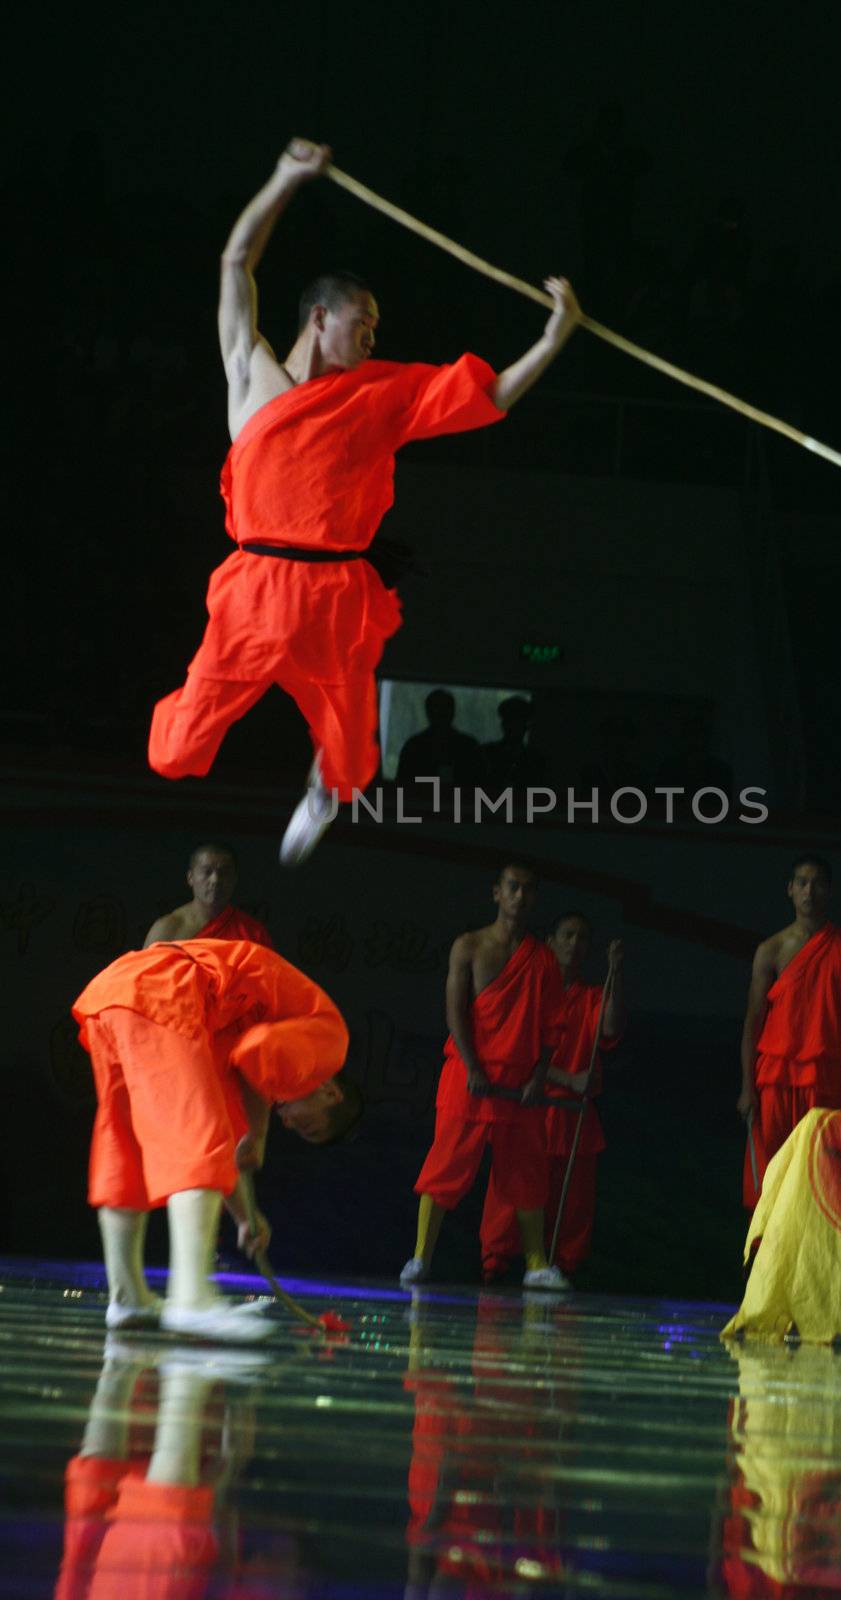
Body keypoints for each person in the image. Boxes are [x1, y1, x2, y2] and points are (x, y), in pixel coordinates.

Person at [148, 137, 581, 867]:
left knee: (350, 759)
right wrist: (285, 179)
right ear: (320, 316)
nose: (374, 334)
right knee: (178, 749)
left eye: (376, 328)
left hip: (335, 593)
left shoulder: (380, 395)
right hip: (255, 587)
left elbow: (491, 394)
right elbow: (235, 263)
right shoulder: (250, 373)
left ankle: (323, 789)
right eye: (364, 321)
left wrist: (554, 334)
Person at [73, 938, 355, 1340]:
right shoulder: (330, 1042)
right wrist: (259, 1133)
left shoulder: (236, 1032)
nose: (293, 1125)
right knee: (195, 1143)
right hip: (164, 990)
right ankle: (190, 1299)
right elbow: (256, 1053)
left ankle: (128, 1296)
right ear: (331, 1093)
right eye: (309, 1125)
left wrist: (244, 1215)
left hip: (118, 994)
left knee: (127, 1149)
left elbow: (223, 1132)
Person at [401, 860, 568, 1290]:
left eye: (528, 890)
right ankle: (420, 1258)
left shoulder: (543, 958)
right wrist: (473, 1065)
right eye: (512, 887)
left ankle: (535, 1264)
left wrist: (538, 1076)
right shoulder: (469, 946)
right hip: (468, 1075)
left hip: (520, 1084)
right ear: (496, 892)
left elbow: (553, 1025)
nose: (520, 896)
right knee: (445, 1166)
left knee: (526, 1173)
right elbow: (455, 1010)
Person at [479, 915, 625, 1281]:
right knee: (508, 1200)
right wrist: (565, 1078)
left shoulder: (592, 995)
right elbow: (516, 1052)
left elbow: (609, 1027)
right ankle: (493, 1269)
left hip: (573, 1118)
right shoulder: (527, 994)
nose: (574, 943)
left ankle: (562, 1272)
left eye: (582, 937)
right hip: (529, 1107)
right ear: (550, 941)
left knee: (571, 1209)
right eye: (567, 935)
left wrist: (615, 973)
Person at [737, 856, 841, 1207]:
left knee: (822, 1172)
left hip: (827, 1075)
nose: (809, 891)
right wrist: (746, 1087)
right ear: (789, 890)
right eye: (802, 882)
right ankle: (763, 1255)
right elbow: (752, 1021)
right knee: (770, 1174)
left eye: (817, 883)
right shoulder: (770, 950)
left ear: (829, 891)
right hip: (774, 1074)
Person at [142, 842, 272, 947]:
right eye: (206, 872)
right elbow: (145, 977)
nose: (215, 880)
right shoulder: (167, 929)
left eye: (224, 873)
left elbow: (266, 977)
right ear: (190, 878)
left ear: (234, 879)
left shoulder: (253, 933)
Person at [396, 688, 484, 791]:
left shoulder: (414, 746)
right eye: (438, 709)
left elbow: (402, 785)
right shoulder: (469, 746)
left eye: (443, 710)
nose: (441, 714)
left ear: (427, 712)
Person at [480, 696, 548, 791]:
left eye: (517, 722)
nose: (513, 727)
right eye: (510, 721)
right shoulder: (486, 753)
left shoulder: (535, 759)